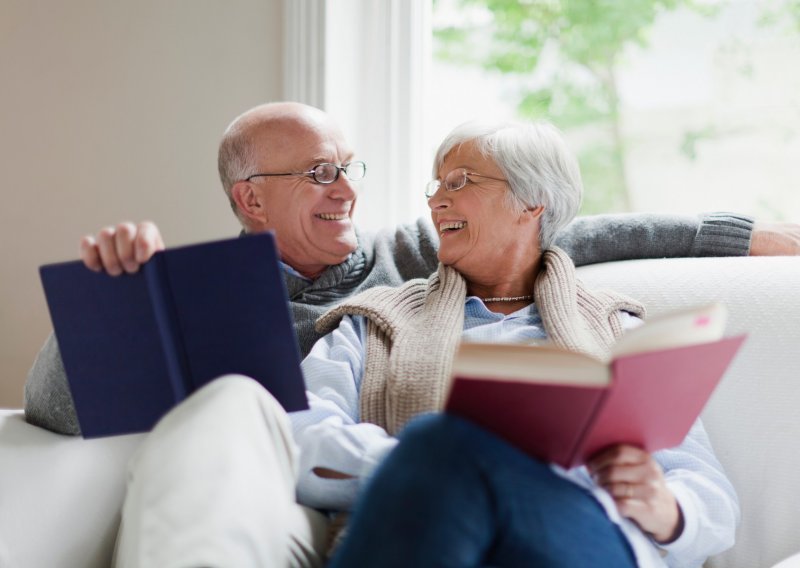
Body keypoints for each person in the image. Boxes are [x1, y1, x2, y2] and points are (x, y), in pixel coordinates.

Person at [23, 102, 800, 438]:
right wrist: (117, 302)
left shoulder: (418, 255)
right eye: (319, 173)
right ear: (250, 200)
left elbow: (586, 233)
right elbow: (54, 410)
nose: (347, 188)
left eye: (348, 166)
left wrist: (758, 234)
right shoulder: (200, 298)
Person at [295, 119, 738, 567]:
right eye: (435, 186)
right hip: (432, 530)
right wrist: (432, 467)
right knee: (441, 442)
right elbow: (301, 439)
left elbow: (711, 492)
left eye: (460, 181)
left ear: (531, 202)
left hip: (580, 539)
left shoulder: (618, 330)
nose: (435, 200)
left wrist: (665, 507)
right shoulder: (372, 323)